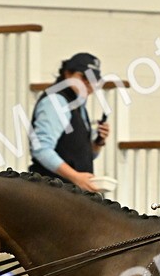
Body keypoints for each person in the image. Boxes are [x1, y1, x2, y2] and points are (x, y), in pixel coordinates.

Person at [29, 52, 110, 192]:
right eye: (84, 77)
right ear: (67, 74)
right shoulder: (56, 102)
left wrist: (98, 143)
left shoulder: (78, 104)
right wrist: (76, 177)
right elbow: (41, 149)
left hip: (69, 192)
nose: (89, 84)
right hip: (51, 191)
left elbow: (82, 155)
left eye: (94, 79)